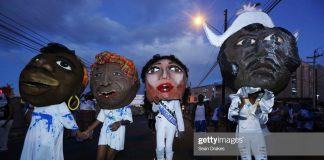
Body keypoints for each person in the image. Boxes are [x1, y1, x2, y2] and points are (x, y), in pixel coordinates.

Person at [19, 43, 88, 160]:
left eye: (64, 64)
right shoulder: (37, 105)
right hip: (32, 143)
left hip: (47, 145)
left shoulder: (60, 106)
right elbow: (28, 120)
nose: (40, 63)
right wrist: (31, 105)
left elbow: (71, 125)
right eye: (37, 60)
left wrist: (80, 134)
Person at [82, 51, 140, 160]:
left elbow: (128, 120)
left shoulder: (124, 108)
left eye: (117, 74)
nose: (104, 83)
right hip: (105, 132)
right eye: (98, 75)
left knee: (110, 157)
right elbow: (99, 120)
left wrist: (119, 123)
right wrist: (87, 131)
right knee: (99, 157)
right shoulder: (106, 107)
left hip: (118, 134)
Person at [141, 54, 187, 160]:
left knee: (169, 147)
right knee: (160, 147)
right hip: (160, 123)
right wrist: (156, 103)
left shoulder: (175, 101)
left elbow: (179, 115)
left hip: (171, 124)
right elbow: (154, 110)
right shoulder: (159, 99)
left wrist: (181, 129)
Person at [228, 87, 274, 160]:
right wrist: (240, 106)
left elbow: (264, 121)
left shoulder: (261, 103)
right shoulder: (239, 101)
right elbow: (231, 117)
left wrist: (258, 110)